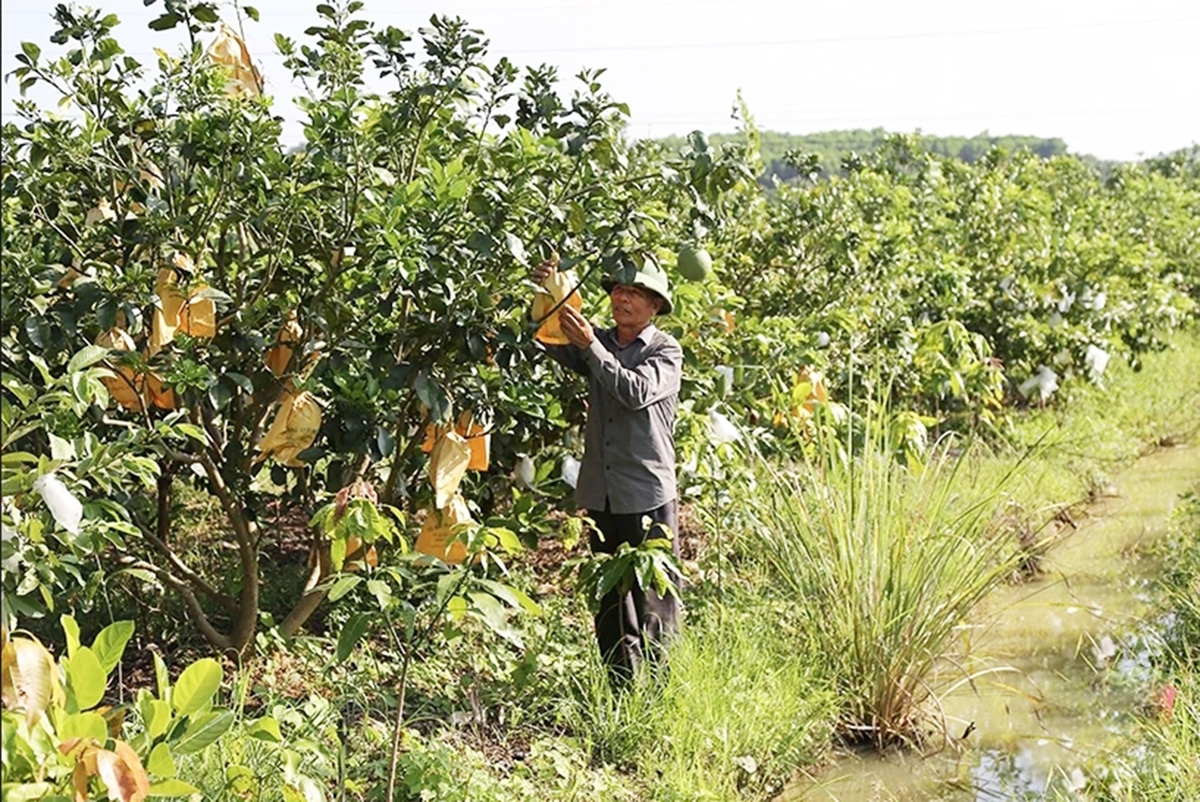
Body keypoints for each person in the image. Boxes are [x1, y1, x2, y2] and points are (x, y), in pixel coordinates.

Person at [531, 255, 683, 681]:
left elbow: (634, 392)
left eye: (634, 292)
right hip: (602, 491)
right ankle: (619, 686)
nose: (623, 297)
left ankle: (659, 691)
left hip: (646, 492)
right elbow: (546, 337)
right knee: (611, 597)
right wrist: (550, 292)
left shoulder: (664, 351)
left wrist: (592, 347)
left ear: (655, 305)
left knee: (653, 597)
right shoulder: (597, 343)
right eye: (618, 289)